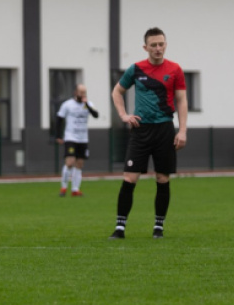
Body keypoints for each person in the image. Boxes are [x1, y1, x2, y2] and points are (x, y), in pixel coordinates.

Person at [109, 27, 187, 239]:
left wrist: (182, 131)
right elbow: (117, 91)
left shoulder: (175, 70)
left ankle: (158, 227)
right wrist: (123, 115)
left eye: (161, 44)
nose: (158, 48)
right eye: (153, 45)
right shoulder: (136, 69)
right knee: (129, 177)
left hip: (164, 130)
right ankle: (120, 228)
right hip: (140, 130)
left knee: (162, 178)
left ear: (165, 45)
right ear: (146, 47)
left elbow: (181, 101)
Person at [56, 84, 99, 197]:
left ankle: (75, 189)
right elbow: (59, 119)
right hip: (70, 137)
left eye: (84, 92)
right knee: (70, 162)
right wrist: (58, 136)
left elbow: (96, 115)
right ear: (75, 92)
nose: (82, 95)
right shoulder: (67, 104)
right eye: (81, 92)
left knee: (79, 164)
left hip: (83, 138)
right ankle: (63, 188)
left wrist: (87, 105)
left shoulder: (88, 104)